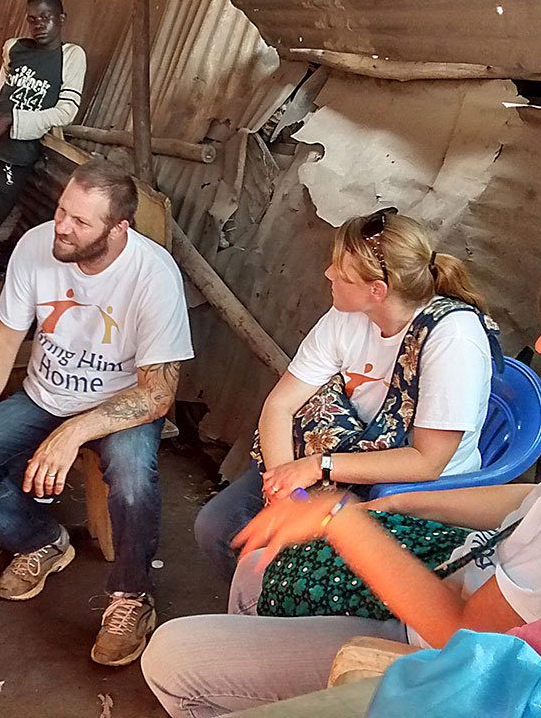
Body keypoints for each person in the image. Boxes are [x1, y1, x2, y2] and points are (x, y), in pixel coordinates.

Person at [142, 237, 541, 717]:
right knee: (256, 563)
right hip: (473, 576)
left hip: (464, 668)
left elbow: (464, 634)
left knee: (171, 654)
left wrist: (335, 514)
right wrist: (414, 506)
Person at [0, 159, 194, 666]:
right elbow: (5, 336)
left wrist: (74, 431)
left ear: (119, 229)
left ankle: (131, 596)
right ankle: (43, 539)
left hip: (119, 406)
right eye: (61, 211)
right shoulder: (37, 246)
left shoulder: (153, 274)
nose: (62, 227)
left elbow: (158, 394)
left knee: (134, 479)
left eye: (80, 222)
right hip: (44, 396)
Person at [194, 211, 496, 582]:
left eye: (341, 270)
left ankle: (299, 623)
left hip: (408, 485)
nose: (328, 274)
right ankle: (263, 614)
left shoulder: (452, 339)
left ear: (377, 291)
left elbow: (426, 462)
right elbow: (280, 404)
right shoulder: (347, 316)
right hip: (340, 457)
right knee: (219, 527)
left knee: (300, 565)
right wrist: (282, 485)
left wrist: (317, 466)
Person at [0, 0, 86, 240]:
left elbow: (66, 111)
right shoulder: (15, 47)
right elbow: (3, 90)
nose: (39, 24)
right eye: (33, 19)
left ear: (61, 19)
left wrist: (11, 119)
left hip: (16, 155)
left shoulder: (71, 56)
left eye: (46, 18)